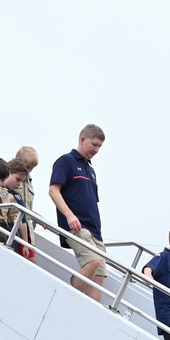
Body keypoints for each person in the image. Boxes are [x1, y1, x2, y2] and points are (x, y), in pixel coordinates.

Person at [49, 124, 105, 302]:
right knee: (93, 262)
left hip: (95, 230)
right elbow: (53, 190)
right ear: (82, 139)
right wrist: (69, 215)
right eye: (94, 145)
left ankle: (92, 315)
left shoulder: (91, 170)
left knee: (100, 275)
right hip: (77, 226)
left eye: (99, 147)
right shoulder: (66, 161)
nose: (96, 150)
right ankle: (67, 298)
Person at [5, 159, 36, 261]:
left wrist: (25, 244)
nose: (19, 184)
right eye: (17, 179)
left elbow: (23, 222)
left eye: (21, 181)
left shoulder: (17, 197)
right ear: (8, 173)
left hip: (12, 238)